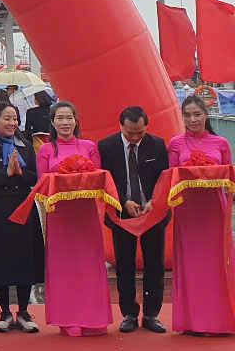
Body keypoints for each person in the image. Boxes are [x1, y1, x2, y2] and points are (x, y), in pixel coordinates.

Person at [32, 101, 107, 336]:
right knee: (63, 266)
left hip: (85, 215)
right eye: (60, 118)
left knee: (88, 264)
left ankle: (93, 317)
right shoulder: (45, 150)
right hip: (60, 216)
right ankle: (68, 318)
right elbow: (42, 184)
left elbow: (97, 179)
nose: (65, 123)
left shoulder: (89, 146)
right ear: (53, 123)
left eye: (69, 118)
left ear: (76, 121)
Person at [0, 102, 43, 334]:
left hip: (23, 205)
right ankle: (3, 311)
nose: (12, 123)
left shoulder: (25, 146)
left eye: (15, 118)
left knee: (25, 257)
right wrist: (6, 173)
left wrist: (21, 173)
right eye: (7, 118)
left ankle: (23, 311)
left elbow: (35, 176)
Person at [167, 96, 235, 336]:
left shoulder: (221, 143)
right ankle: (192, 321)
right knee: (191, 265)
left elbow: (229, 180)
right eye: (187, 115)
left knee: (216, 262)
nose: (192, 119)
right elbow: (172, 179)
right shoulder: (175, 144)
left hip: (214, 210)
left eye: (197, 114)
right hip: (188, 212)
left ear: (206, 114)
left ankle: (219, 320)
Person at [97, 106, 168, 334]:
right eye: (130, 133)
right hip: (121, 214)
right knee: (124, 265)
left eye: (140, 132)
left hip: (152, 212)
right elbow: (105, 180)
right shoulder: (106, 146)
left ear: (146, 127)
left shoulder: (157, 144)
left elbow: (164, 179)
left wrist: (153, 202)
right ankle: (129, 313)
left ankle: (151, 314)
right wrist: (124, 200)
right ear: (121, 127)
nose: (136, 137)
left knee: (154, 265)